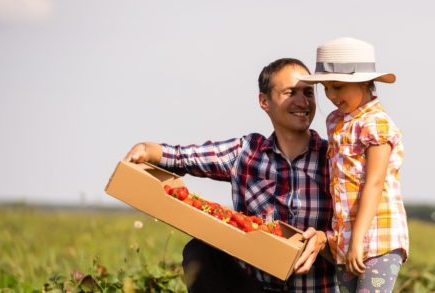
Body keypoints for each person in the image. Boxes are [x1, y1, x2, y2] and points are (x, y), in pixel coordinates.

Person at [123, 58, 337, 292]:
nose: (302, 101)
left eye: (308, 92)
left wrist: (324, 240)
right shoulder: (246, 153)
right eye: (290, 92)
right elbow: (183, 157)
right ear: (264, 101)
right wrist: (147, 149)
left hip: (314, 287)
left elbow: (358, 235)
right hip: (255, 286)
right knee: (200, 251)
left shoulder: (333, 159)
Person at [299, 37, 409, 292]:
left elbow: (374, 182)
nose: (331, 95)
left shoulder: (376, 123)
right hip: (345, 238)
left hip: (378, 236)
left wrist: (358, 240)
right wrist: (346, 241)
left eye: (337, 86)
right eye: (326, 87)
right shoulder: (335, 121)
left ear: (363, 82)